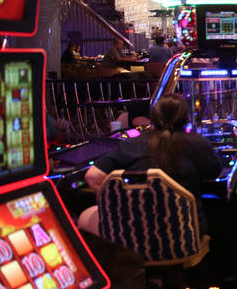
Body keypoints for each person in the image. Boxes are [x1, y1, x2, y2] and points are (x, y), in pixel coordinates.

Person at [79, 94, 223, 234]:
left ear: (152, 118)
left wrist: (118, 205)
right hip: (185, 234)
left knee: (85, 216)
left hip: (135, 234)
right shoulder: (198, 143)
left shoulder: (130, 145)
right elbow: (215, 173)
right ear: (186, 118)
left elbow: (92, 176)